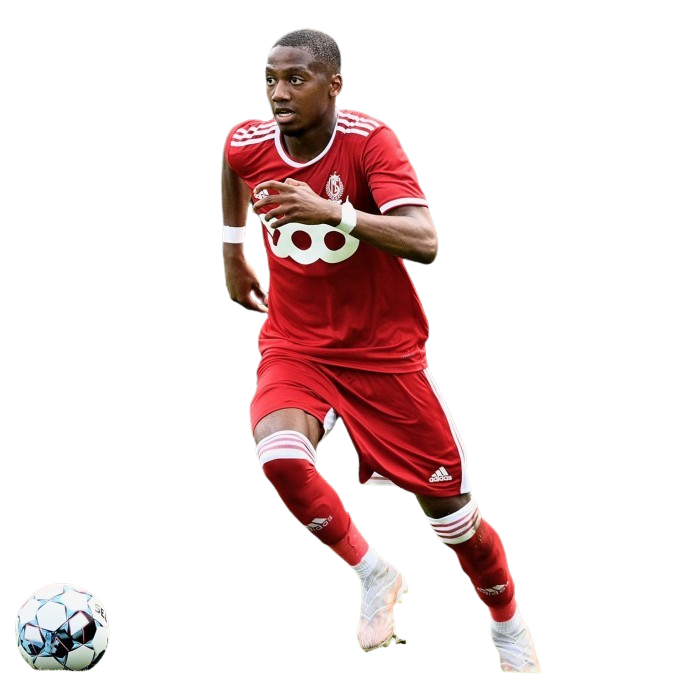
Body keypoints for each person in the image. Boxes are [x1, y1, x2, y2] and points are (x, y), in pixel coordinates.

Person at [220, 27, 541, 672]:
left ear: (334, 85)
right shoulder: (248, 141)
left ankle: (507, 624)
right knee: (279, 456)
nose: (279, 93)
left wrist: (332, 212)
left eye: (296, 79)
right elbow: (234, 166)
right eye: (270, 80)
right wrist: (232, 249)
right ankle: (372, 573)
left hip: (383, 356)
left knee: (453, 520)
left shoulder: (370, 142)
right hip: (296, 344)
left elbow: (426, 241)